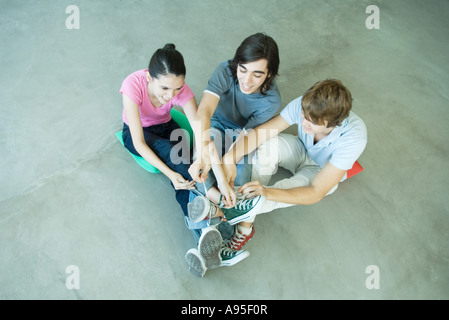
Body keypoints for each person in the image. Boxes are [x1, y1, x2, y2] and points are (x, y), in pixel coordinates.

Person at [119, 44, 240, 276]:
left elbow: (204, 136)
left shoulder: (182, 91)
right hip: (138, 134)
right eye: (164, 88)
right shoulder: (132, 85)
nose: (170, 95)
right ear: (148, 77)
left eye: (177, 88)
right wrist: (170, 174)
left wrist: (224, 180)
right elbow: (139, 143)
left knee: (187, 165)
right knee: (179, 166)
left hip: (166, 127)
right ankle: (219, 204)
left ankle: (202, 235)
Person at [210, 79, 368, 251]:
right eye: (303, 116)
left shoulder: (354, 137)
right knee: (265, 145)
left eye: (312, 122)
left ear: (333, 124)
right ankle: (238, 203)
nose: (304, 122)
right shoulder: (306, 104)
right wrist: (230, 158)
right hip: (301, 147)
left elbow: (316, 192)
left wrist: (267, 191)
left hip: (322, 171)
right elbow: (262, 133)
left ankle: (238, 223)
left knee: (278, 192)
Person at [184, 33, 282, 277]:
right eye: (243, 69)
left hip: (243, 137)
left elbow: (247, 139)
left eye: (257, 74)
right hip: (216, 124)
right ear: (237, 64)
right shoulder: (225, 71)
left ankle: (218, 227)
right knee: (201, 165)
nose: (247, 80)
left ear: (269, 74)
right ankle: (220, 231)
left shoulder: (271, 101)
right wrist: (204, 153)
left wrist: (228, 164)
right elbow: (204, 111)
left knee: (240, 178)